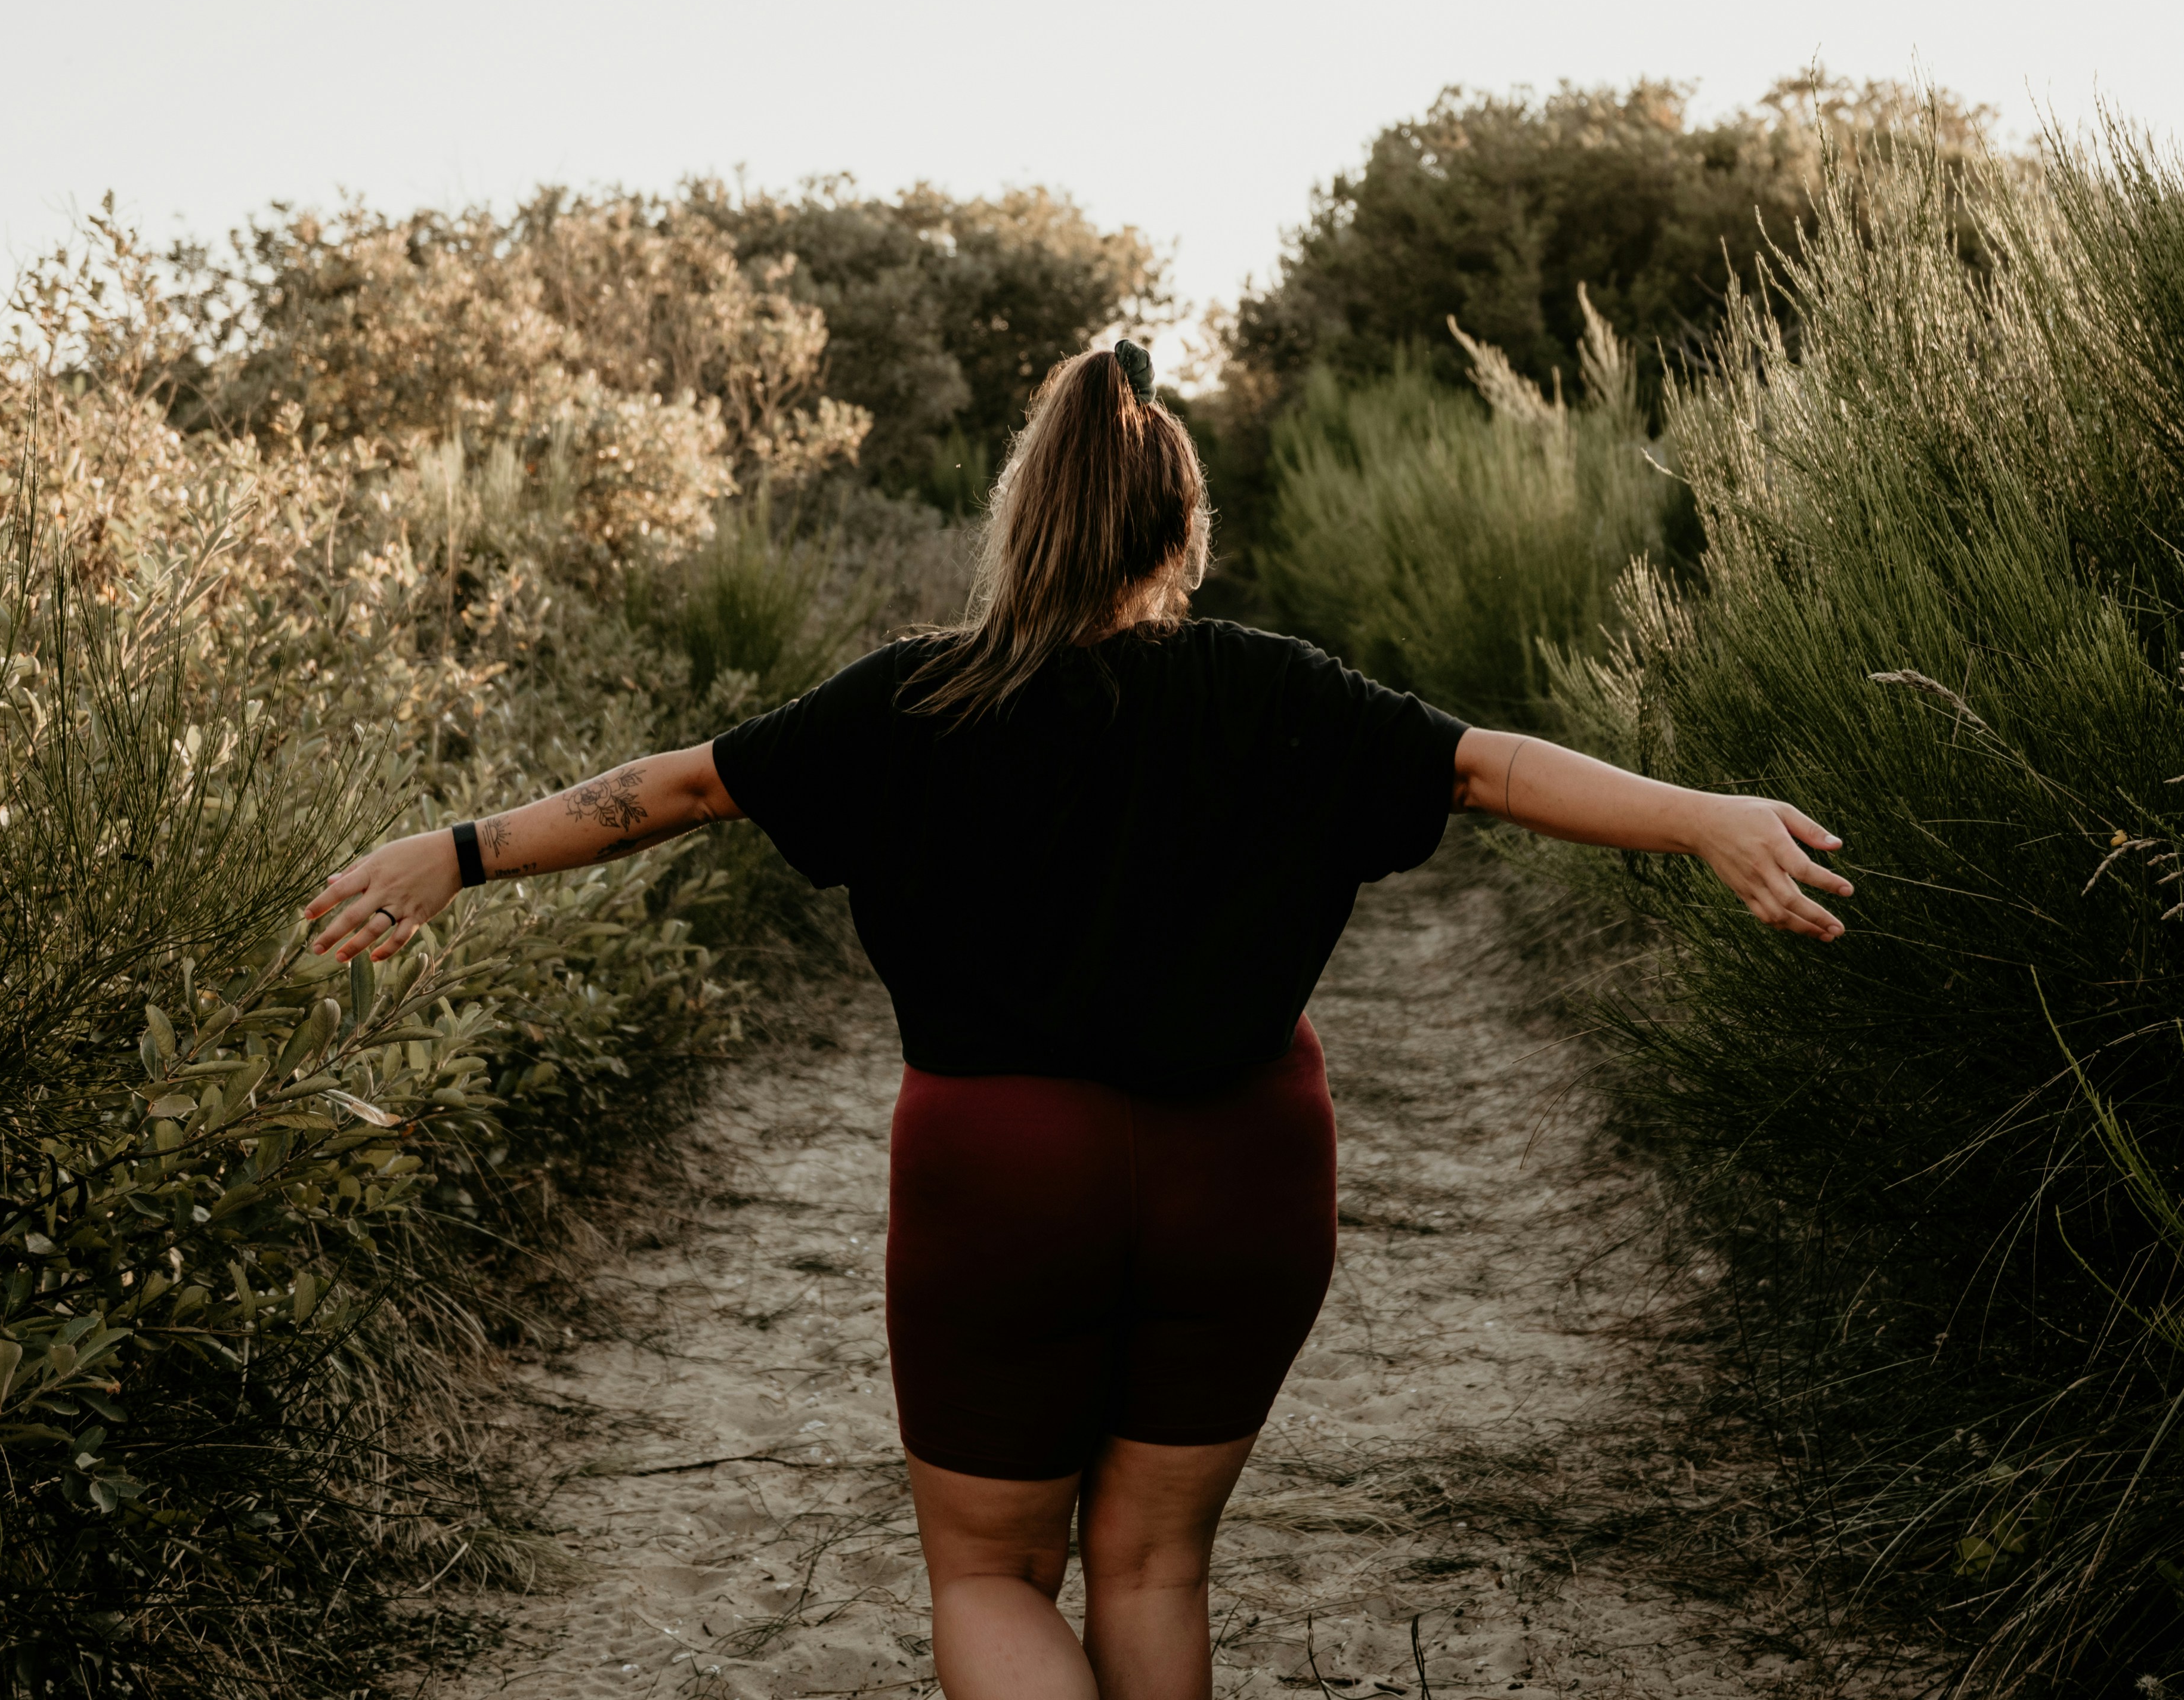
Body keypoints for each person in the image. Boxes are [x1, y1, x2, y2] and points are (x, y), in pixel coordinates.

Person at [305, 338, 1850, 1700]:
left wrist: (452, 854)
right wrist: (1702, 816)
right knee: (1158, 1571)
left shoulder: (915, 699)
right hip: (1248, 1159)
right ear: (1185, 529)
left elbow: (684, 789)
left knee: (989, 1578)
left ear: (1019, 517)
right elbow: (1489, 767)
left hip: (1001, 1169)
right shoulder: (1273, 690)